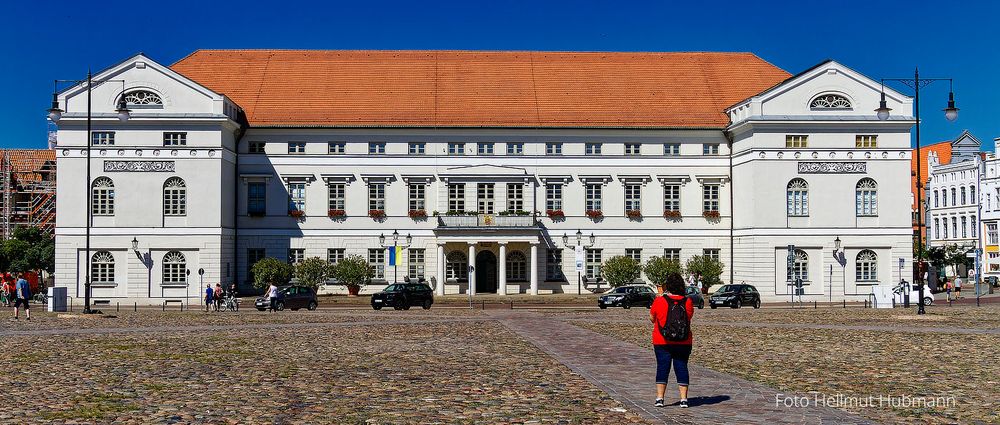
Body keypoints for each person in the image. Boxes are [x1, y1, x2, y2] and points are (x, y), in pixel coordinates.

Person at [649, 272, 694, 408]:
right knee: (681, 367)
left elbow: (652, 318)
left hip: (662, 340)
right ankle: (683, 399)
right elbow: (689, 318)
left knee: (663, 367)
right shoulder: (688, 302)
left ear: (667, 286)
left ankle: (660, 398)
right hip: (683, 341)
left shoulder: (659, 301)